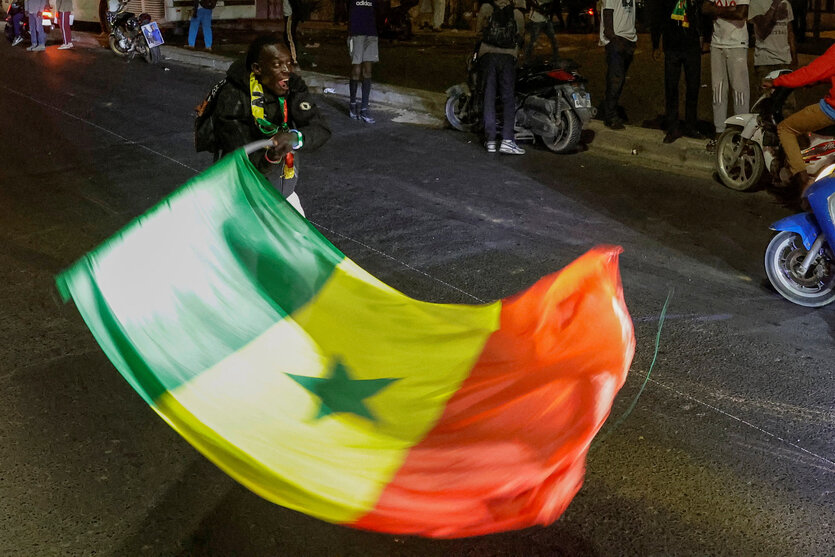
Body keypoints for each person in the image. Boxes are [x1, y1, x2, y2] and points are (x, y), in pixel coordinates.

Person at [213, 35, 331, 215]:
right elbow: (243, 161)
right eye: (277, 65)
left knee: (299, 239)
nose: (286, 71)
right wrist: (272, 156)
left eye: (289, 64)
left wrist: (296, 137)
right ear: (257, 68)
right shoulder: (233, 97)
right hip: (244, 197)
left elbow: (320, 128)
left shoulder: (292, 86)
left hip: (282, 193)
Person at [763, 43, 835, 194]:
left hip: (831, 110)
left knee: (785, 128)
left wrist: (776, 82)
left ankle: (802, 180)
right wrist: (820, 81)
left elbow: (808, 73)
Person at [651, 0, 705, 143]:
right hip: (672, 46)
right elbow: (657, 15)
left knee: (693, 87)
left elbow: (702, 12)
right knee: (671, 87)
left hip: (692, 45)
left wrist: (705, 37)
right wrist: (655, 43)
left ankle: (691, 125)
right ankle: (672, 127)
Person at [476, 0, 526, 154]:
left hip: (488, 56)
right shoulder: (517, 13)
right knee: (508, 98)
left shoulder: (485, 8)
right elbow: (521, 36)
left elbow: (478, 33)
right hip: (508, 57)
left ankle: (490, 141)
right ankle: (507, 140)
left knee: (488, 96)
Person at [703, 0, 749, 149]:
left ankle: (741, 133)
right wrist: (729, 10)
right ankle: (719, 132)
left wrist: (716, 10)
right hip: (717, 43)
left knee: (740, 92)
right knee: (718, 90)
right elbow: (704, 8)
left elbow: (741, 13)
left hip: (737, 43)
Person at [600, 0, 637, 130]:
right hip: (617, 41)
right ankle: (610, 116)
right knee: (615, 80)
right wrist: (615, 41)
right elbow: (607, 19)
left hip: (627, 40)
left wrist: (632, 40)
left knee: (619, 81)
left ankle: (611, 110)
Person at [750, 0, 796, 98]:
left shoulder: (786, 3)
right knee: (766, 102)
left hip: (784, 61)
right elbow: (762, 30)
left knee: (787, 103)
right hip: (765, 62)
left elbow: (790, 31)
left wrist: (793, 56)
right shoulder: (756, 3)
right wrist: (775, 5)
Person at [347, 0, 379, 123]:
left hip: (371, 33)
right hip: (356, 33)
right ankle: (353, 103)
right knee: (356, 69)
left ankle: (364, 108)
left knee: (368, 70)